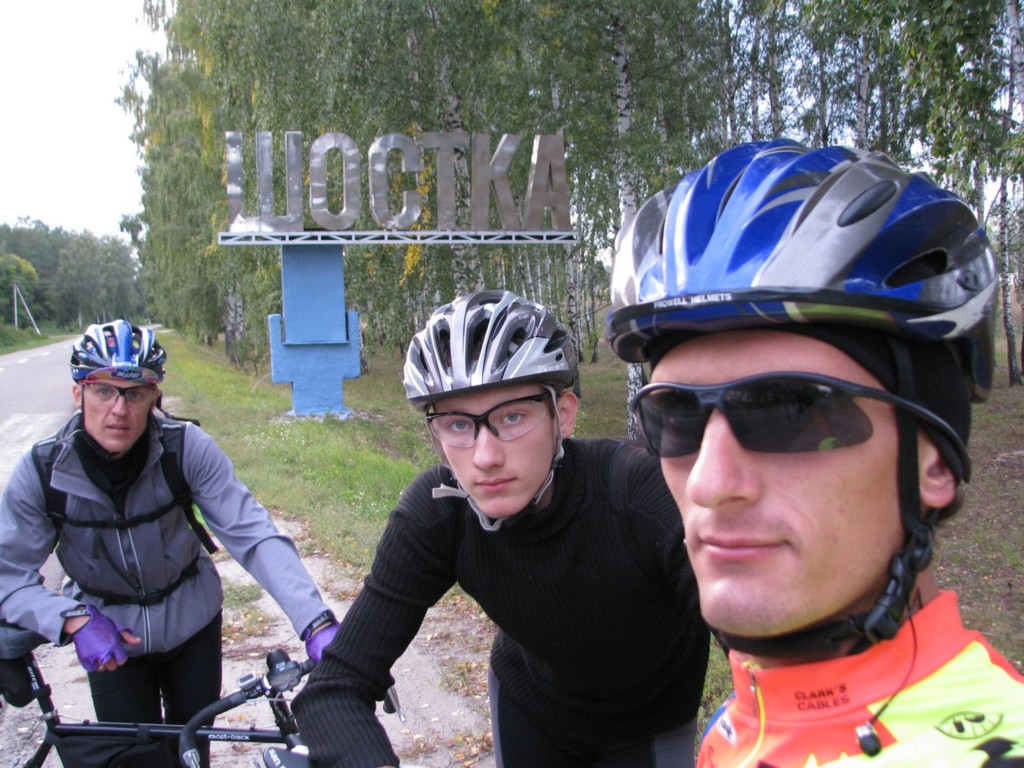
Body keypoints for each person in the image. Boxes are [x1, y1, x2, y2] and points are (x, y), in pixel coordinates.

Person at [605, 138, 1024, 766]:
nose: (709, 483)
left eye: (793, 412)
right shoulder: (740, 723)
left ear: (934, 460)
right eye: (676, 416)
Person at [293, 290, 710, 768]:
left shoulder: (638, 494)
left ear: (563, 414)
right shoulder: (440, 512)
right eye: (457, 425)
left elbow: (763, 643)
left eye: (512, 417)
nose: (485, 457)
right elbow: (334, 687)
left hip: (650, 720)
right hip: (530, 708)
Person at [0, 320, 340, 767]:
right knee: (133, 759)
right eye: (103, 391)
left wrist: (314, 621)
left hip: (191, 622)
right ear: (78, 393)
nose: (119, 410)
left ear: (154, 397)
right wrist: (72, 620)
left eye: (135, 393)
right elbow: (8, 578)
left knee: (191, 750)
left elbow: (253, 534)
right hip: (110, 635)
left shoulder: (185, 448)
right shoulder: (43, 471)